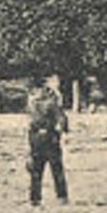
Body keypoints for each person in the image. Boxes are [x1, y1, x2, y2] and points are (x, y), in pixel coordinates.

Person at [27, 73, 70, 205]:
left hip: (35, 137)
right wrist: (62, 130)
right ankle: (61, 196)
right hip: (49, 137)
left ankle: (35, 198)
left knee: (36, 170)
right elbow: (62, 119)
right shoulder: (52, 102)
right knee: (56, 168)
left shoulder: (31, 103)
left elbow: (31, 122)